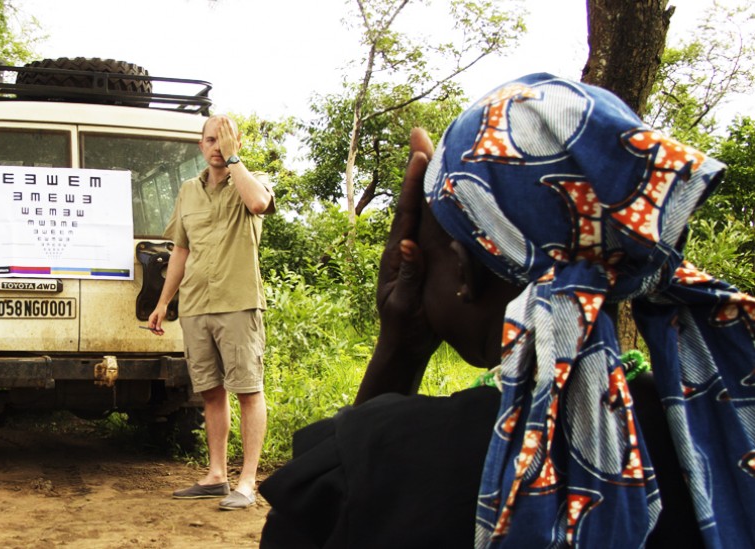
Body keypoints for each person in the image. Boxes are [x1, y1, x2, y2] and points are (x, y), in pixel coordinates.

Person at [259, 73, 755, 547]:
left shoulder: (391, 458)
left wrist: (399, 351)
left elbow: (330, 516)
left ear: (462, 271)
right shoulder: (716, 430)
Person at [147, 114, 275, 511]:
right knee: (210, 392)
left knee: (248, 389)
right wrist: (164, 302)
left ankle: (248, 482)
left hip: (238, 303)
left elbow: (259, 203)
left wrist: (236, 162)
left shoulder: (251, 181)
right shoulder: (188, 190)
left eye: (224, 140)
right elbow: (181, 251)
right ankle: (217, 475)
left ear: (235, 143)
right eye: (210, 140)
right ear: (200, 146)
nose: (217, 147)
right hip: (196, 304)